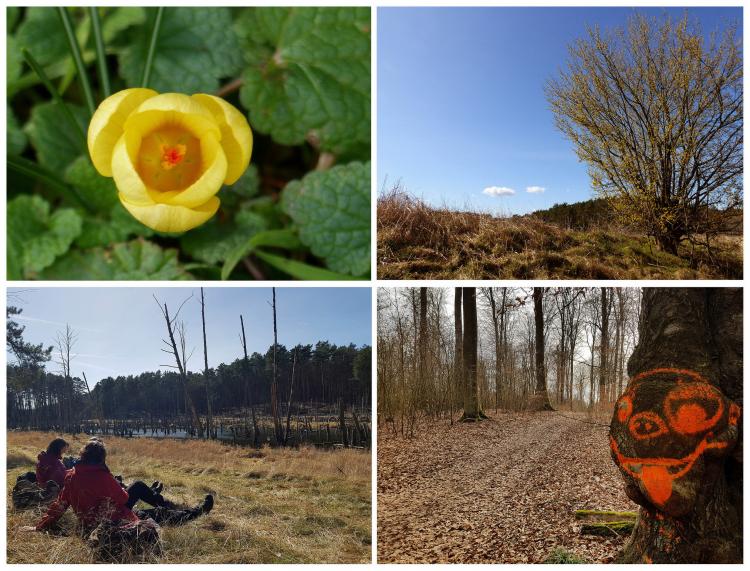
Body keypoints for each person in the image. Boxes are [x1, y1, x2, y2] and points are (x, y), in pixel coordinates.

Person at [22, 440, 213, 533]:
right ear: (101, 458)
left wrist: (39, 527)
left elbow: (60, 506)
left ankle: (160, 498)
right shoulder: (102, 476)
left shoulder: (71, 476)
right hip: (114, 522)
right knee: (160, 514)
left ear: (82, 456)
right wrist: (117, 486)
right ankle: (197, 511)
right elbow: (122, 499)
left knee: (144, 502)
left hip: (90, 524)